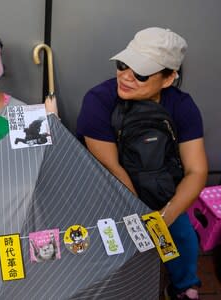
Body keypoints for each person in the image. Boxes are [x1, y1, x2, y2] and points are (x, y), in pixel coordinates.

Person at [77, 27, 207, 300]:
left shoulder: (182, 106)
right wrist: (138, 222)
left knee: (182, 237)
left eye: (141, 73)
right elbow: (113, 170)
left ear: (169, 78)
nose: (125, 76)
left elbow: (196, 171)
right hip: (108, 191)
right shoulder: (98, 101)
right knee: (118, 252)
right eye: (123, 64)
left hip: (161, 191)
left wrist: (165, 217)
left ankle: (184, 288)